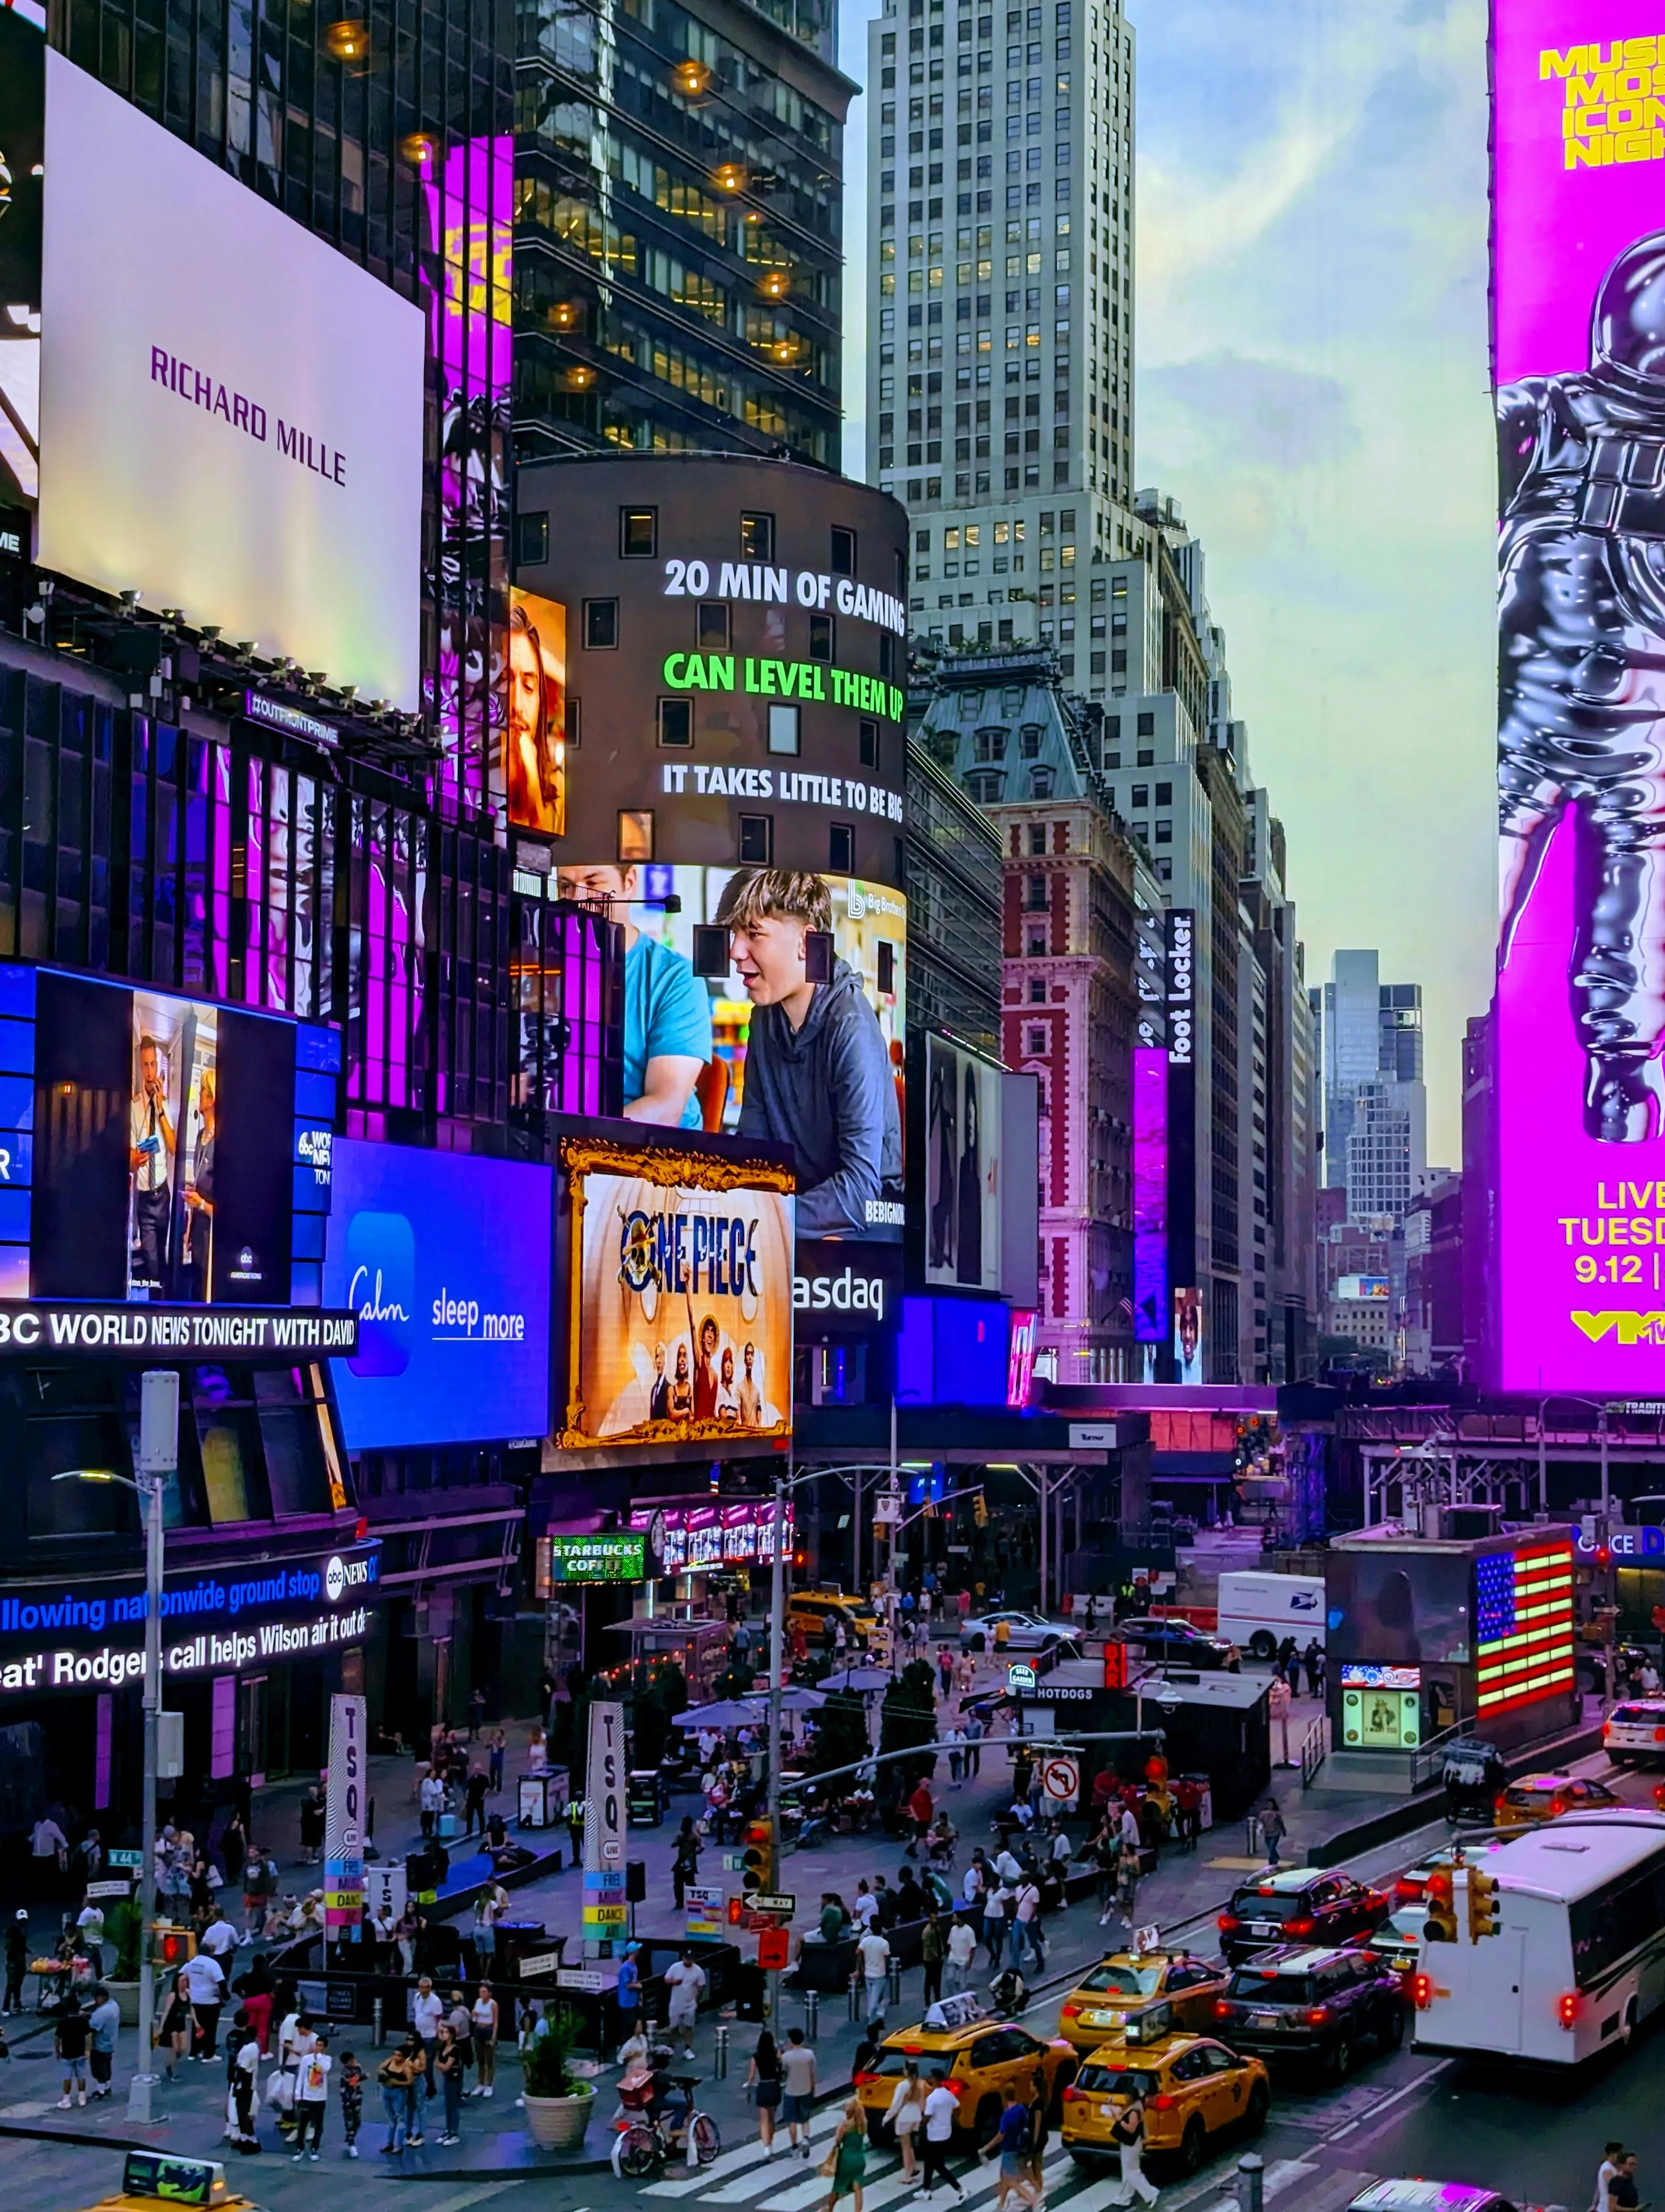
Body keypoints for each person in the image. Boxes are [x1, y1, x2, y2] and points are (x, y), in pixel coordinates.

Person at [716, 867, 902, 1240]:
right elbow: (755, 1145)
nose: (735, 951)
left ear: (806, 942)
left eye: (753, 933)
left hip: (864, 1237)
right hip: (795, 1222)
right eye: (734, 934)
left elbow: (861, 1191)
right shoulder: (765, 1020)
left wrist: (759, 1221)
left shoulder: (851, 1028)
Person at [556, 863, 713, 1126]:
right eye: (565, 887)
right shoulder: (541, 965)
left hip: (648, 1149)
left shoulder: (675, 977)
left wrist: (576, 1132)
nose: (577, 901)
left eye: (594, 884)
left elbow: (665, 1108)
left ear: (630, 882)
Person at [129, 1033, 176, 1288]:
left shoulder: (164, 1105)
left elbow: (172, 1147)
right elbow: (127, 1157)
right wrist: (134, 1160)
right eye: (145, 1065)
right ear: (141, 1067)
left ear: (158, 1066)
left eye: (153, 1065)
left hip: (164, 1194)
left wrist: (160, 1107)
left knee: (164, 1255)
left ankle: (165, 1309)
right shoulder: (134, 1107)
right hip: (145, 1198)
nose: (149, 1072)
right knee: (151, 1262)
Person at [182, 1065, 216, 1300]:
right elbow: (199, 1184)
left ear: (211, 1098)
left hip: (213, 1237)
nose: (199, 1094)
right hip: (198, 1232)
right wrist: (188, 1229)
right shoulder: (200, 1136)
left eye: (202, 1090)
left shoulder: (223, 1140)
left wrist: (202, 1204)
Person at [981, 2084, 1037, 2212]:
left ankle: (1034, 2202)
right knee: (1004, 2177)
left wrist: (985, 2149)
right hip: (1020, 2148)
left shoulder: (1007, 2116)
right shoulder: (1021, 2109)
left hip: (1009, 2150)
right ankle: (1001, 2204)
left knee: (1011, 2181)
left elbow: (1000, 2136)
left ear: (1004, 2097)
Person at [1107, 2079, 1158, 2207]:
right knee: (1128, 2171)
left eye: (1126, 2095)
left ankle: (1151, 2193)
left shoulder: (1135, 2110)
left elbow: (1131, 2129)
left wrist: (1119, 2119)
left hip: (1132, 2145)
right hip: (1129, 2144)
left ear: (1131, 2096)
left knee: (1132, 2172)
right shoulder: (1135, 2106)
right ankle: (1125, 2198)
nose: (1125, 2097)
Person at [920, 2067, 967, 2199]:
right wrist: (951, 2119)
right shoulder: (948, 2094)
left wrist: (920, 2125)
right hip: (946, 2133)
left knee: (938, 2165)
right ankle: (926, 2190)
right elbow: (958, 2108)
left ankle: (960, 2189)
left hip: (934, 2135)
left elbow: (927, 2117)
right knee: (929, 2162)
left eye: (930, 2077)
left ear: (935, 2079)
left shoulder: (932, 2098)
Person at [820, 2096, 868, 2212]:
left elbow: (838, 2141)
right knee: (858, 2188)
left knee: (838, 2186)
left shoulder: (846, 2125)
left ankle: (830, 2208)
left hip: (846, 2158)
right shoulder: (863, 2123)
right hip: (860, 2158)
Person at [293, 2029, 333, 2163]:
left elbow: (325, 2069)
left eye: (321, 2045)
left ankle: (314, 2148)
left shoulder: (327, 2059)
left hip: (320, 2097)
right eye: (317, 2045)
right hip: (307, 2096)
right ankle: (300, 2149)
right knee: (303, 2124)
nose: (318, 2047)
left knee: (318, 2125)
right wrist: (298, 2094)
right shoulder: (306, 2059)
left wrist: (319, 2057)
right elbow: (302, 2076)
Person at [184, 1941, 227, 2061]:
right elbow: (221, 1982)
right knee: (211, 2028)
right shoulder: (212, 1964)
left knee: (197, 2026)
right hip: (210, 2000)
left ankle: (194, 2052)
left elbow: (181, 1974)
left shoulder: (192, 1963)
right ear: (210, 1952)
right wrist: (225, 1996)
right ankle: (209, 2054)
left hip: (195, 1999)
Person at [378, 2034, 420, 2155]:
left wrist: (397, 2082)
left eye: (399, 2055)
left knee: (399, 2118)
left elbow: (410, 2082)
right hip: (387, 2091)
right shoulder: (391, 2061)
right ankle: (389, 2142)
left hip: (398, 2093)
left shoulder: (406, 2067)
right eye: (395, 2054)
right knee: (390, 2119)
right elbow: (380, 2068)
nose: (396, 2057)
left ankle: (399, 2145)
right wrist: (384, 2076)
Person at [887, 2059, 927, 2182]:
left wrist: (887, 2117)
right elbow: (922, 2103)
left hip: (905, 2115)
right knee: (909, 2143)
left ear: (906, 2071)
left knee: (905, 2146)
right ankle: (914, 2167)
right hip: (915, 2114)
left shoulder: (903, 2085)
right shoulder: (921, 2084)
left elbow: (896, 2104)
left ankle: (907, 2176)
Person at [227, 2010, 261, 2154]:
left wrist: (236, 2087)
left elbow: (243, 2070)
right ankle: (244, 2138)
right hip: (246, 2084)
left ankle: (252, 2140)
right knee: (243, 2113)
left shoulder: (248, 2049)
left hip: (244, 2085)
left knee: (243, 2113)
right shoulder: (253, 2047)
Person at [780, 2026, 817, 2156]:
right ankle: (806, 2138)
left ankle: (794, 2146)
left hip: (791, 2091)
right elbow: (813, 2074)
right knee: (805, 2118)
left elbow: (783, 2074)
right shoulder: (810, 2055)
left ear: (791, 2041)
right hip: (806, 2089)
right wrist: (813, 2088)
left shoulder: (786, 2057)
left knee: (792, 2120)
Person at [663, 1949, 706, 2060]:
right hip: (676, 2003)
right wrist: (674, 1982)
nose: (688, 1960)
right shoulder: (675, 1967)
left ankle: (688, 2048)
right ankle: (671, 2046)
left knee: (688, 2027)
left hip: (690, 2004)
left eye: (690, 1958)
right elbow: (667, 1979)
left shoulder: (698, 1971)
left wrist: (696, 2000)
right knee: (673, 2026)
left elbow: (701, 1986)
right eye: (686, 1958)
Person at [747, 2027, 782, 2153]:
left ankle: (766, 2146)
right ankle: (771, 2142)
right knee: (772, 2119)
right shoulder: (776, 2053)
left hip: (763, 2086)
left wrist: (749, 2086)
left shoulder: (756, 2057)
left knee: (763, 2120)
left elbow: (751, 2076)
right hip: (774, 2086)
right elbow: (781, 2066)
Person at [411, 1976, 444, 2103]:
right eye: (420, 1987)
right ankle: (420, 2087)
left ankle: (431, 2088)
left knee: (427, 2065)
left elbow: (438, 2018)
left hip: (430, 2036)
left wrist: (438, 2036)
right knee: (417, 2062)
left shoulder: (435, 2001)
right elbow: (417, 2013)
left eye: (424, 1987)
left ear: (429, 1988)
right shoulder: (417, 1997)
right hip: (419, 2035)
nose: (422, 1989)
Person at [55, 1993, 90, 2108]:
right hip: (80, 2052)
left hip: (67, 2054)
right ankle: (82, 2098)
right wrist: (88, 2050)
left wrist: (57, 2051)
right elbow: (89, 2035)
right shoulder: (83, 2021)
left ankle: (67, 2100)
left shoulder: (63, 2022)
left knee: (67, 2077)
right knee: (81, 2076)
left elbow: (58, 2038)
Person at [854, 1921, 891, 2031]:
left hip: (868, 1973)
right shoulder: (884, 1943)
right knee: (875, 1998)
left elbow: (858, 1952)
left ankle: (872, 2016)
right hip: (879, 1974)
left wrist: (861, 1967)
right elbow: (887, 1956)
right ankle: (872, 2022)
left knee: (871, 1996)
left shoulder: (865, 1940)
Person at [434, 2021, 465, 2147]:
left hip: (455, 2080)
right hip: (447, 2079)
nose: (444, 2034)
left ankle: (454, 2133)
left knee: (454, 2106)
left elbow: (446, 2066)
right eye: (443, 2032)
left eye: (446, 2032)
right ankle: (448, 2130)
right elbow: (436, 2062)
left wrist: (442, 2067)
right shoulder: (443, 2048)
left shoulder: (455, 2050)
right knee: (448, 2105)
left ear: (452, 2035)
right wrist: (442, 2067)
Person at [339, 2046, 366, 2158]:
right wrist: (346, 2101)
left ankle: (351, 2136)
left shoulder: (358, 2068)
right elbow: (343, 2089)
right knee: (350, 2121)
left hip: (358, 2098)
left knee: (358, 2121)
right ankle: (351, 2144)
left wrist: (364, 2077)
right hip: (349, 2100)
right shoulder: (344, 2073)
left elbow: (360, 2078)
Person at [672, 1817, 702, 1911]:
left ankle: (694, 1902)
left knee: (690, 1884)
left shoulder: (695, 1836)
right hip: (681, 1860)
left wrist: (696, 1852)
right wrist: (678, 1842)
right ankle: (679, 1903)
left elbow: (701, 1846)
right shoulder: (680, 1835)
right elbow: (674, 1844)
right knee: (678, 1884)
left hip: (689, 1862)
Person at [946, 1913, 977, 1996]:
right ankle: (951, 1996)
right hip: (953, 1958)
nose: (953, 1920)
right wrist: (951, 1954)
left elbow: (973, 1947)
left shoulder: (969, 1931)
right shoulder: (953, 1929)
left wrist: (970, 1961)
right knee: (949, 1979)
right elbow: (950, 1942)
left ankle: (961, 1997)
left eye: (955, 1918)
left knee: (962, 1983)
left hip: (964, 1960)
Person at [5, 1909, 28, 2014]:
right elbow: (8, 1946)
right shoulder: (12, 1931)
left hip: (21, 1961)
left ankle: (17, 2004)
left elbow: (23, 1946)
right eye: (21, 1920)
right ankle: (6, 2007)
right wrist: (16, 1955)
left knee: (19, 1983)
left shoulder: (24, 1930)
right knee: (11, 1984)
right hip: (13, 1962)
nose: (22, 1922)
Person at [1595, 2142, 1626, 2212]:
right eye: (1619, 2153)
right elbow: (1613, 2185)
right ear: (1612, 2154)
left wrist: (1594, 2205)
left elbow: (1598, 2189)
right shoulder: (1607, 2168)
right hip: (1606, 2209)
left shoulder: (1612, 2167)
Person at [1259, 1796, 1287, 1868]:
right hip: (1267, 1833)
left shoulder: (1276, 1814)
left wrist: (1284, 1831)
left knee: (1272, 1848)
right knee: (1270, 1848)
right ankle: (1276, 1857)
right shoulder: (1263, 1814)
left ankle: (1272, 1862)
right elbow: (1261, 1823)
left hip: (1275, 1833)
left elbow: (1281, 1823)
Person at [419, 1770, 445, 1841]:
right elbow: (433, 1792)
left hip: (429, 1804)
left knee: (428, 1819)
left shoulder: (429, 1782)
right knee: (428, 1819)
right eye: (433, 1774)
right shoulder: (428, 1782)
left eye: (435, 1774)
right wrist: (440, 1793)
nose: (434, 1775)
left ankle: (427, 1832)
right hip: (429, 1805)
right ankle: (428, 1833)